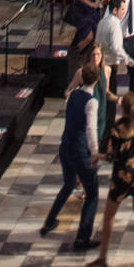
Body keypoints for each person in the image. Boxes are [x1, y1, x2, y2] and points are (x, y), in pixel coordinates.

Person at [85, 84, 134, 267]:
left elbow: (112, 156)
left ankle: (103, 258)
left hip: (121, 178)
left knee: (108, 217)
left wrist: (96, 157)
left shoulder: (116, 128)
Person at [41, 57, 101, 252]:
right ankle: (82, 238)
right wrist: (95, 153)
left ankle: (49, 221)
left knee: (68, 184)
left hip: (64, 146)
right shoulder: (91, 102)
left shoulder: (73, 95)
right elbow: (91, 130)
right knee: (92, 193)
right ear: (97, 80)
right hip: (78, 150)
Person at [96, 0, 130, 92]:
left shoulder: (102, 21)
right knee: (110, 90)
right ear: (115, 10)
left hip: (101, 61)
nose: (124, 12)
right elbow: (116, 47)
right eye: (122, 9)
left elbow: (97, 42)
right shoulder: (115, 25)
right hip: (110, 62)